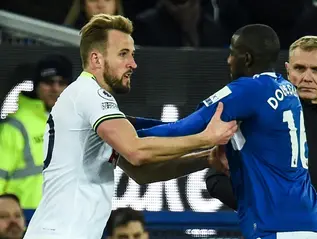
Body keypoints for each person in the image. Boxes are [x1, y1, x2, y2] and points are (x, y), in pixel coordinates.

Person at [22, 14, 237, 239]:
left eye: (132, 55)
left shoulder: (84, 99)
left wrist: (205, 158)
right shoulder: (89, 95)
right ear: (96, 59)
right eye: (123, 54)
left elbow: (142, 173)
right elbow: (137, 151)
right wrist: (207, 137)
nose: (133, 64)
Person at [134, 24, 317, 239]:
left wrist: (119, 129)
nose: (228, 60)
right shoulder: (285, 88)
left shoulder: (247, 90)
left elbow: (180, 129)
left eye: (232, 52)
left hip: (281, 227)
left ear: (246, 58)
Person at [205, 35, 317, 239]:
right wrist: (262, 207)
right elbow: (216, 178)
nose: (307, 77)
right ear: (287, 70)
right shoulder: (260, 116)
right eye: (299, 68)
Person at [0, 55, 73, 210]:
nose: (55, 88)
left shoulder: (76, 123)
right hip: (22, 220)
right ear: (36, 85)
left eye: (62, 82)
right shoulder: (15, 127)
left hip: (65, 218)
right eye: (49, 82)